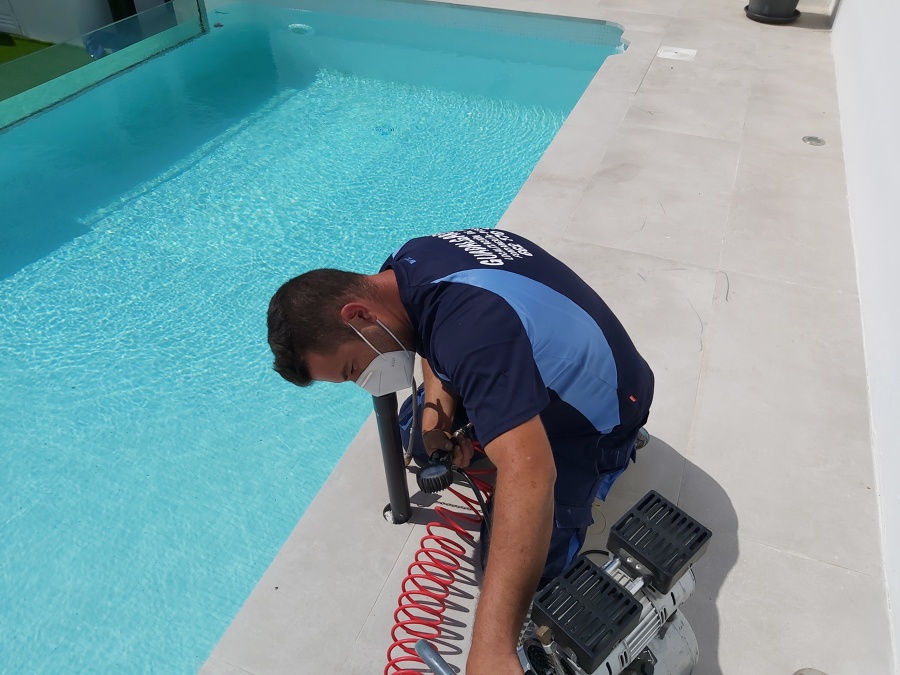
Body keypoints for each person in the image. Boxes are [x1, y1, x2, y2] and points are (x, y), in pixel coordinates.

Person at [266, 228, 653, 675]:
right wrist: (439, 424)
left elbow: (531, 478)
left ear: (357, 314)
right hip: (542, 348)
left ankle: (612, 457)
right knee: (416, 423)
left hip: (604, 412)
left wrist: (492, 650)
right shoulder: (409, 265)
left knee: (513, 569)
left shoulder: (473, 333)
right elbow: (431, 338)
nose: (364, 381)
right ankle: (494, 428)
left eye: (353, 368)